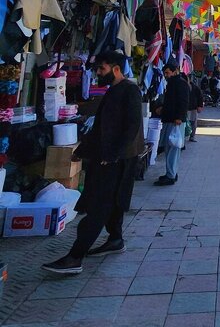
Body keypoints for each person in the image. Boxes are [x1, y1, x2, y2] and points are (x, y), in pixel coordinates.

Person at [42, 51, 144, 274]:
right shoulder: (113, 90)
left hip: (118, 159)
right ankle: (115, 239)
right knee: (114, 201)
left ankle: (75, 257)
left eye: (102, 69)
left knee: (100, 205)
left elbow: (133, 125)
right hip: (107, 155)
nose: (98, 73)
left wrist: (113, 155)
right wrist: (83, 150)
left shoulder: (130, 90)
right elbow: (101, 127)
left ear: (116, 69)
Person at [154, 62, 190, 185]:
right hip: (169, 119)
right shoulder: (172, 83)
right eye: (165, 73)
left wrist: (179, 117)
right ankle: (171, 172)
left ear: (175, 71)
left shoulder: (180, 83)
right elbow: (171, 102)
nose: (166, 75)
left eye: (167, 73)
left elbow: (183, 102)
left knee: (173, 148)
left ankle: (171, 175)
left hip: (175, 121)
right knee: (169, 148)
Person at [187, 77, 204, 142]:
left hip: (193, 107)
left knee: (193, 123)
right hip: (185, 108)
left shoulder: (195, 88)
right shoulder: (183, 87)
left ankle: (192, 136)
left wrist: (200, 106)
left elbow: (200, 97)